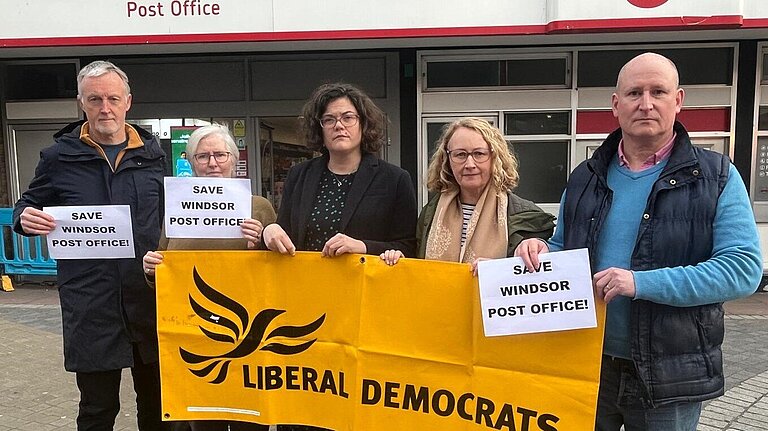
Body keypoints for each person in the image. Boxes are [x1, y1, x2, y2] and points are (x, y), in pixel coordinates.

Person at [515, 52, 762, 431]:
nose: (645, 103)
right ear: (616, 105)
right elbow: (566, 246)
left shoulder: (716, 177)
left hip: (668, 372)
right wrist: (541, 250)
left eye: (658, 92)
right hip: (588, 364)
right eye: (634, 93)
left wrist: (640, 282)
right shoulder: (585, 176)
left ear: (677, 100)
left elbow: (741, 270)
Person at [13, 61, 169, 430]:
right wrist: (24, 219)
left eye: (113, 98)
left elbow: (174, 219)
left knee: (159, 406)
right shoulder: (58, 157)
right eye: (95, 99)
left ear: (128, 101)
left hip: (149, 299)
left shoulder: (154, 156)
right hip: (91, 303)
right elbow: (27, 205)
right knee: (97, 411)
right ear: (81, 103)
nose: (105, 108)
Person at [261, 83, 418, 431]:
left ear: (364, 124)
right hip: (303, 316)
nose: (339, 125)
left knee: (355, 414)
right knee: (303, 413)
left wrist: (363, 246)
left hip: (363, 316)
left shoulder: (394, 180)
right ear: (319, 128)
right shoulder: (301, 175)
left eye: (348, 117)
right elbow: (283, 232)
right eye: (329, 119)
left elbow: (408, 247)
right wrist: (267, 232)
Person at [143, 124, 276, 431]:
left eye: (220, 154)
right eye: (202, 156)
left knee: (248, 421)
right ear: (190, 163)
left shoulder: (259, 207)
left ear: (234, 159)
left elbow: (278, 269)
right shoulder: (177, 209)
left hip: (246, 335)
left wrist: (262, 241)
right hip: (194, 333)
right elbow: (166, 261)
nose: (212, 163)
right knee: (203, 420)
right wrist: (151, 270)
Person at [379, 117, 555, 273]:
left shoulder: (526, 216)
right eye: (460, 155)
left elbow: (536, 278)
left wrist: (500, 270)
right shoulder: (431, 213)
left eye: (479, 154)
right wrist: (400, 259)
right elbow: (417, 262)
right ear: (447, 161)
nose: (469, 164)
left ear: (495, 157)